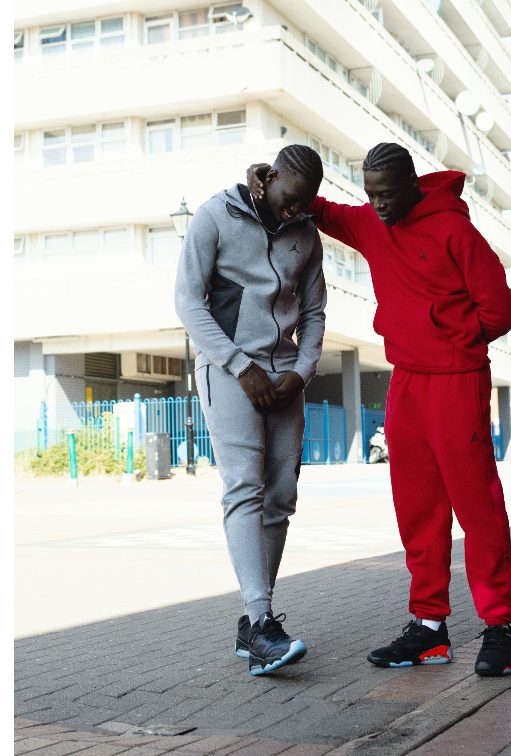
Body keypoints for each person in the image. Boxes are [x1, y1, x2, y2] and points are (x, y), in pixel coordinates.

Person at [248, 142, 511, 676]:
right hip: (407, 382)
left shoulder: (456, 232)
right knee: (417, 508)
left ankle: (499, 629)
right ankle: (429, 629)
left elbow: (501, 311)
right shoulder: (372, 223)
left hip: (457, 380)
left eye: (388, 195)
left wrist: (451, 341)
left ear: (413, 186)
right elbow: (315, 206)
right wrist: (264, 176)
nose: (379, 206)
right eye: (371, 195)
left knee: (477, 506)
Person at [175, 145, 327, 676]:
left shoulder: (306, 232)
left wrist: (300, 372)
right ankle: (262, 622)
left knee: (281, 497)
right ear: (271, 176)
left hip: (284, 376)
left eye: (306, 203)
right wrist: (240, 366)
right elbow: (188, 302)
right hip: (228, 370)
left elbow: (314, 311)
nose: (296, 210)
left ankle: (254, 625)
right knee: (244, 487)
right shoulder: (214, 216)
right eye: (290, 199)